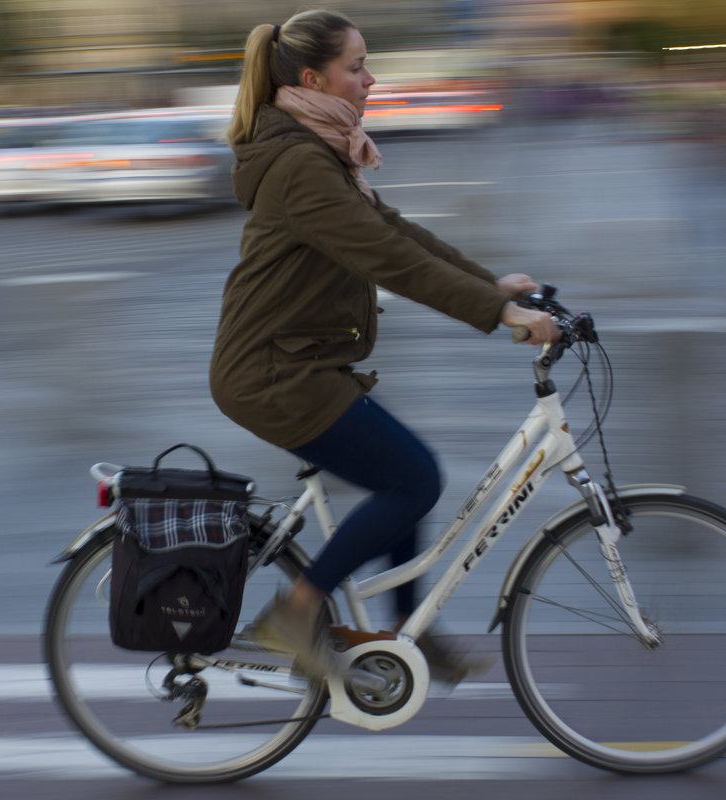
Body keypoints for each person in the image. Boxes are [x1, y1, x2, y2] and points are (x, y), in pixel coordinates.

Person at [209, 9, 558, 677]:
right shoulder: (299, 164)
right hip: (272, 375)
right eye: (357, 66)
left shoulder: (320, 150)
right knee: (415, 480)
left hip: (298, 364)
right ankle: (296, 613)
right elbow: (386, 259)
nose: (371, 78)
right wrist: (497, 312)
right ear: (315, 78)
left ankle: (407, 629)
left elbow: (397, 233)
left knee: (409, 478)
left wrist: (493, 285)